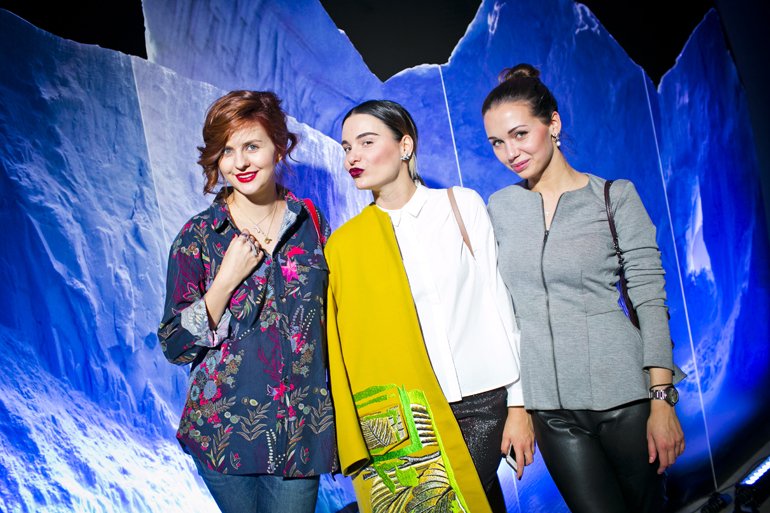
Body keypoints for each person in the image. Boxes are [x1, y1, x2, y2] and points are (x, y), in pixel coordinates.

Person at [482, 63, 685, 512]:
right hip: (550, 411)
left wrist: (662, 401)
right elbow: (501, 312)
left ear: (553, 124)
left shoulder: (615, 197)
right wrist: (517, 406)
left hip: (625, 399)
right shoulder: (500, 208)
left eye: (520, 134)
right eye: (497, 142)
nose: (510, 152)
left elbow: (650, 301)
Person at [325, 99, 534, 513]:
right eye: (347, 147)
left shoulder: (461, 206)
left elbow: (501, 306)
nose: (353, 157)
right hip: (409, 419)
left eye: (366, 142)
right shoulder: (346, 244)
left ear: (405, 146)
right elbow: (348, 347)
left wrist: (518, 404)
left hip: (482, 403)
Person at [157, 90, 336, 513]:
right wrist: (224, 282)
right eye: (227, 151)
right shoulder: (199, 236)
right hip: (225, 433)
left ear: (278, 147)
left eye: (252, 146)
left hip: (300, 432)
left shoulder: (311, 225)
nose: (239, 162)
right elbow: (174, 345)